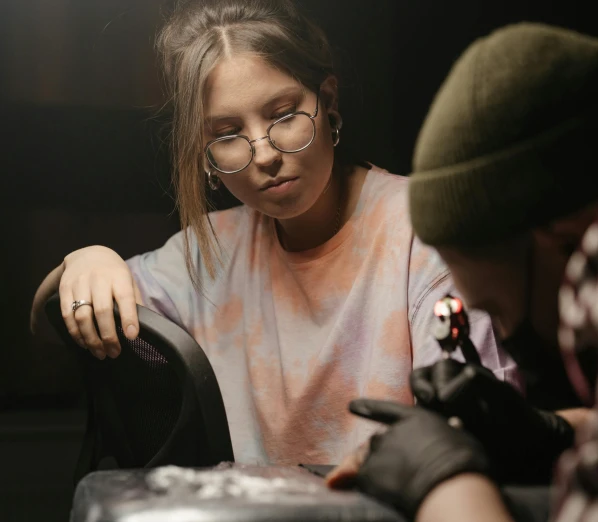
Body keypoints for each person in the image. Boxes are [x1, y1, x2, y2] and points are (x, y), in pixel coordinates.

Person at [29, 0, 516, 466]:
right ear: (205, 153)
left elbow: (478, 431)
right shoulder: (210, 252)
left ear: (327, 101)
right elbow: (48, 325)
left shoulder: (420, 231)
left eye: (283, 116)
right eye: (226, 134)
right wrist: (85, 261)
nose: (262, 154)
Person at [327, 22, 598, 521]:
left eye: (499, 310)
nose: (507, 336)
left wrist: (442, 479)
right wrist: (552, 431)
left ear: (570, 240)